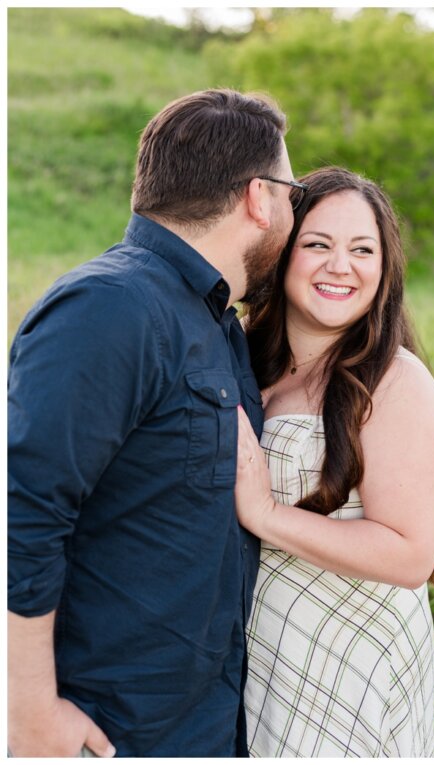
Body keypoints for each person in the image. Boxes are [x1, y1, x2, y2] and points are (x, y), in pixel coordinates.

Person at [7, 89, 299, 756]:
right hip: (114, 728)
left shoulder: (218, 322)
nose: (291, 211)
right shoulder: (112, 307)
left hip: (206, 718)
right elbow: (21, 510)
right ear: (258, 197)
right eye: (291, 193)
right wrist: (27, 712)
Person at [233, 167, 434, 757]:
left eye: (363, 249)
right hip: (266, 648)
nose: (341, 266)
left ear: (384, 269)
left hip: (349, 653)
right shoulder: (246, 362)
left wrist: (265, 514)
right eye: (317, 245)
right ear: (282, 253)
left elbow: (410, 554)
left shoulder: (395, 381)